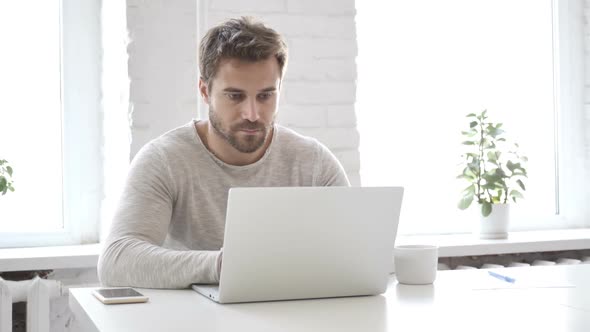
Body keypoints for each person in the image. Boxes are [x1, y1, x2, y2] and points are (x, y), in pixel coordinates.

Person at [97, 17, 350, 289]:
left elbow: (356, 253)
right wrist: (222, 266)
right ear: (205, 91)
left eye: (265, 96)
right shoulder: (164, 160)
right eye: (235, 96)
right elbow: (116, 261)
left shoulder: (314, 164)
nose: (252, 114)